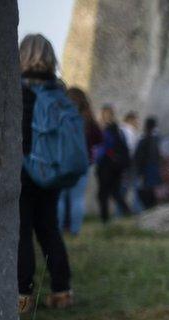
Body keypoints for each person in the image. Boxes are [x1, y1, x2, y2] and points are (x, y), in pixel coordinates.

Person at [18, 34, 73, 312]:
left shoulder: (15, 90)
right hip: (50, 172)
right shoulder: (59, 91)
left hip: (22, 171)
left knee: (22, 231)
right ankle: (62, 290)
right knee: (50, 229)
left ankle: (23, 296)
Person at [57, 87, 102, 236]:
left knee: (61, 198)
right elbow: (99, 138)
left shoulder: (60, 115)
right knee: (77, 198)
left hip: (62, 161)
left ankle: (59, 229)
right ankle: (75, 230)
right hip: (83, 163)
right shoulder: (88, 118)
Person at [96, 104, 131, 223]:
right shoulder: (118, 129)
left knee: (103, 193)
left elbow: (104, 147)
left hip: (106, 165)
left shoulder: (105, 130)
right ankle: (127, 212)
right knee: (115, 192)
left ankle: (105, 218)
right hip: (117, 165)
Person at [134, 117, 162, 209]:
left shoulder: (144, 139)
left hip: (146, 168)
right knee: (151, 189)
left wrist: (139, 170)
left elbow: (138, 157)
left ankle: (147, 207)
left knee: (146, 189)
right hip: (152, 167)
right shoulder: (155, 139)